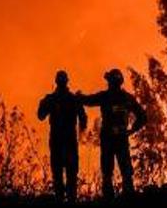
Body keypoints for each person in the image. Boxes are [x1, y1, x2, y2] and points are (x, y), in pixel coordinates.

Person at [79, 68, 147, 198]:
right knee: (124, 169)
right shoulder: (127, 98)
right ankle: (128, 195)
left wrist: (78, 97)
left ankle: (110, 197)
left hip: (109, 138)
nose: (109, 84)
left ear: (110, 82)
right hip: (120, 137)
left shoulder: (105, 97)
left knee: (108, 171)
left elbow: (88, 100)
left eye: (109, 81)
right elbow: (142, 117)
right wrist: (131, 130)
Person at [37, 70, 87, 201]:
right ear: (67, 82)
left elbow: (40, 115)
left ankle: (61, 199)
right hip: (68, 141)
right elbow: (84, 120)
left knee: (58, 175)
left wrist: (45, 101)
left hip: (57, 141)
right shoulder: (73, 99)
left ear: (56, 82)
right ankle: (70, 199)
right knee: (70, 175)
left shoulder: (52, 99)